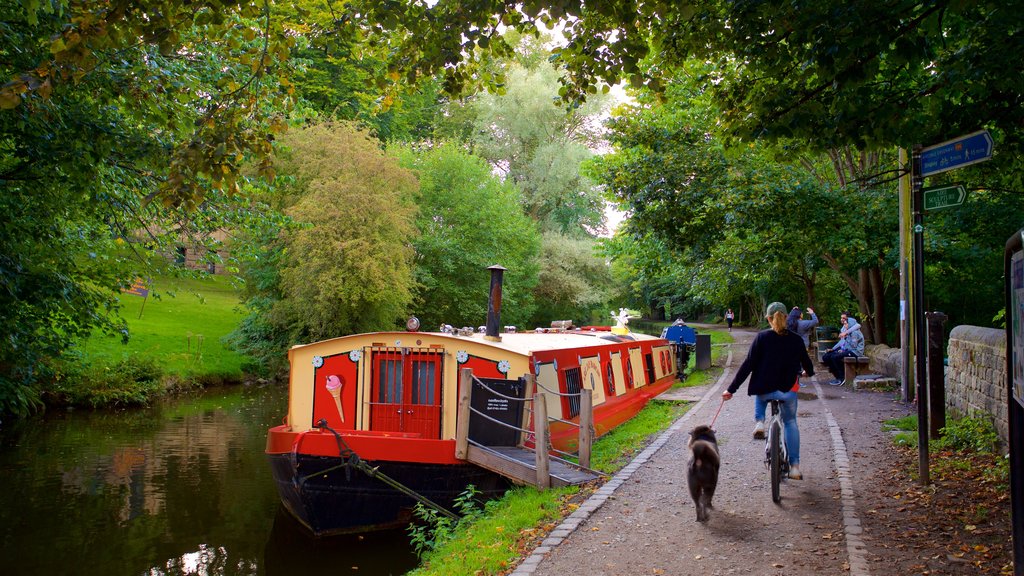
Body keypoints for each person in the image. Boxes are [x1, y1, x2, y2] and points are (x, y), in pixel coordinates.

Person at [723, 302, 815, 480]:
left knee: (761, 392)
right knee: (790, 423)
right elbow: (808, 365)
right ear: (786, 317)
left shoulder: (761, 338)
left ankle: (759, 421)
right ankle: (795, 466)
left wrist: (730, 390)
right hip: (787, 391)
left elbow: (748, 365)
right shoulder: (796, 340)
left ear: (768, 318)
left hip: (764, 390)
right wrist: (806, 373)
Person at [821, 313, 865, 385]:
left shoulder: (854, 333)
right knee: (826, 356)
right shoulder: (847, 331)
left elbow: (853, 346)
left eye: (846, 324)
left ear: (850, 324)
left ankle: (842, 377)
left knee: (835, 357)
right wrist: (834, 349)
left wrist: (843, 348)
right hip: (848, 350)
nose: (845, 325)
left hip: (855, 352)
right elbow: (842, 343)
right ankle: (837, 376)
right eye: (844, 324)